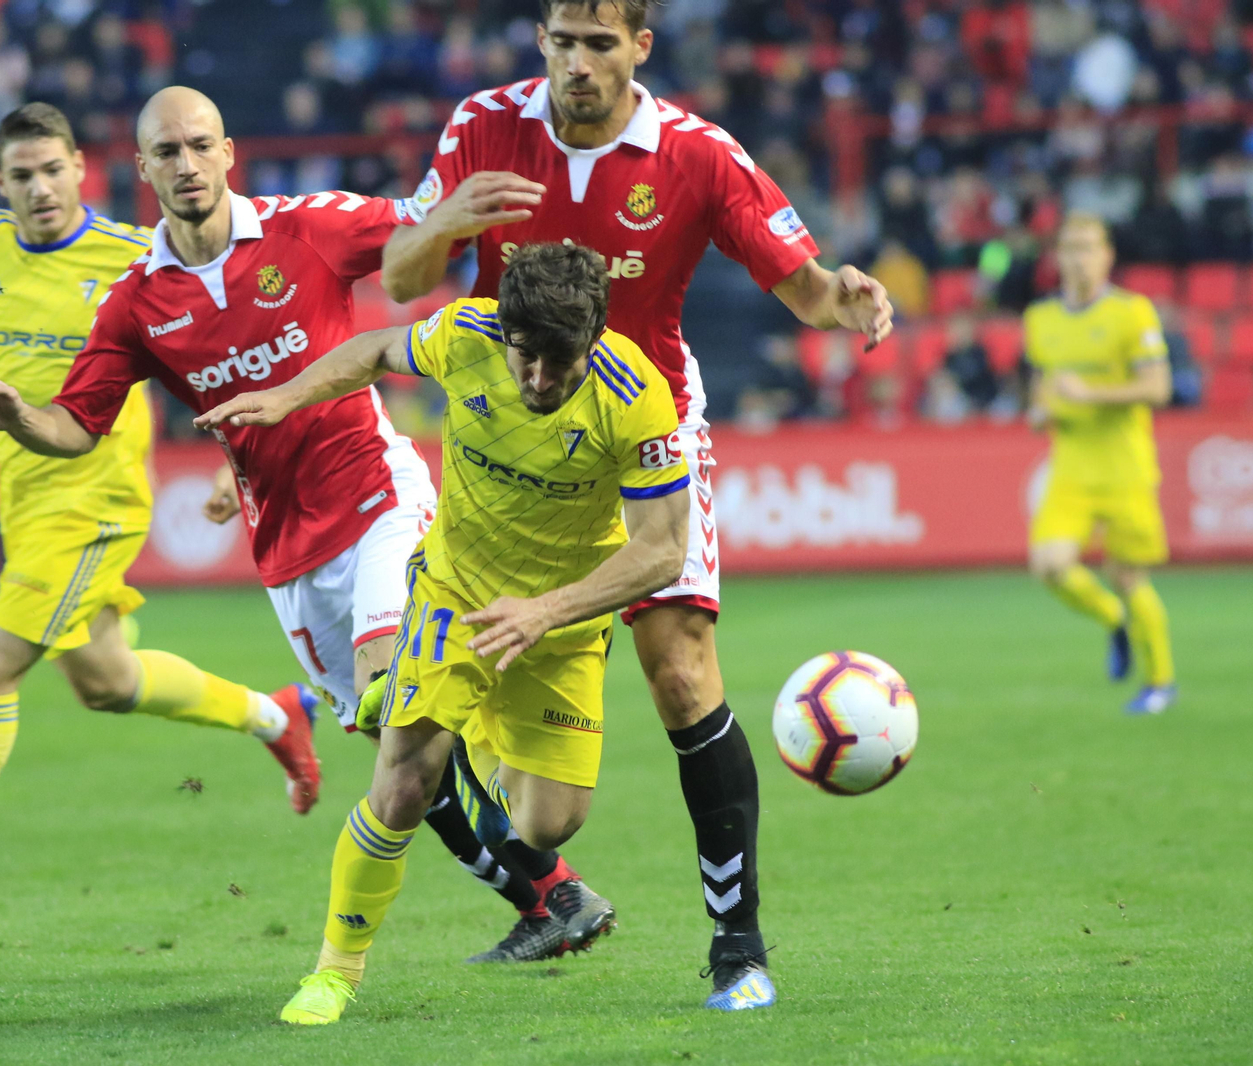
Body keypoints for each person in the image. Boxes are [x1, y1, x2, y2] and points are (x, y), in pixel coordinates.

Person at [0, 87, 618, 963]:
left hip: (377, 497)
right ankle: (548, 897)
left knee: (391, 688)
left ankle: (512, 807)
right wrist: (16, 417)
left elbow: (412, 237)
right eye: (167, 152)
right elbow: (76, 426)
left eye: (201, 145)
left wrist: (451, 216)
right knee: (397, 752)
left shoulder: (310, 226)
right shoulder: (136, 302)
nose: (187, 165)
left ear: (229, 153)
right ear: (142, 169)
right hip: (289, 552)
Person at [379, 0, 893, 1009]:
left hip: (645, 429)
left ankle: (738, 947)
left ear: (640, 47)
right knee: (519, 793)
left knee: (681, 672)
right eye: (562, 42)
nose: (577, 62)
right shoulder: (482, 126)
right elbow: (403, 279)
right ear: (541, 40)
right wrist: (441, 221)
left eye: (599, 44)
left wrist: (846, 297)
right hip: (515, 432)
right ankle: (537, 863)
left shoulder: (697, 154)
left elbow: (805, 289)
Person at [0, 103, 320, 934]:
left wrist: (230, 460)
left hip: (96, 504)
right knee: (106, 682)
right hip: (25, 503)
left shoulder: (133, 258)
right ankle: (277, 715)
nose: (40, 188)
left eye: (53, 170)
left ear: (82, 169)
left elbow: (223, 357)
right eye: (22, 175)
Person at [196, 242, 689, 1026]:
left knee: (547, 824)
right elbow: (372, 351)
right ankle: (334, 974)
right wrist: (288, 396)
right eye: (525, 357)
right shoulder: (465, 334)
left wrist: (546, 612)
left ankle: (476, 728)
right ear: (505, 333)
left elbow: (662, 549)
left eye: (559, 363)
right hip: (454, 594)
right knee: (403, 780)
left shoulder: (635, 396)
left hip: (559, 624)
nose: (539, 380)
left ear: (594, 339)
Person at [1025, 213, 1176, 714]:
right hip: (1071, 466)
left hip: (1124, 465)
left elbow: (1158, 388)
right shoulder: (1040, 319)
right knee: (1049, 566)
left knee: (1128, 575)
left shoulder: (1132, 312)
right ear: (1057, 256)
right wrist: (1039, 410)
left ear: (1108, 255)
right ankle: (1114, 618)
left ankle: (1160, 683)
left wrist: (1090, 393)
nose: (1079, 258)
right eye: (1070, 248)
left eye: (1089, 247)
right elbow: (1040, 389)